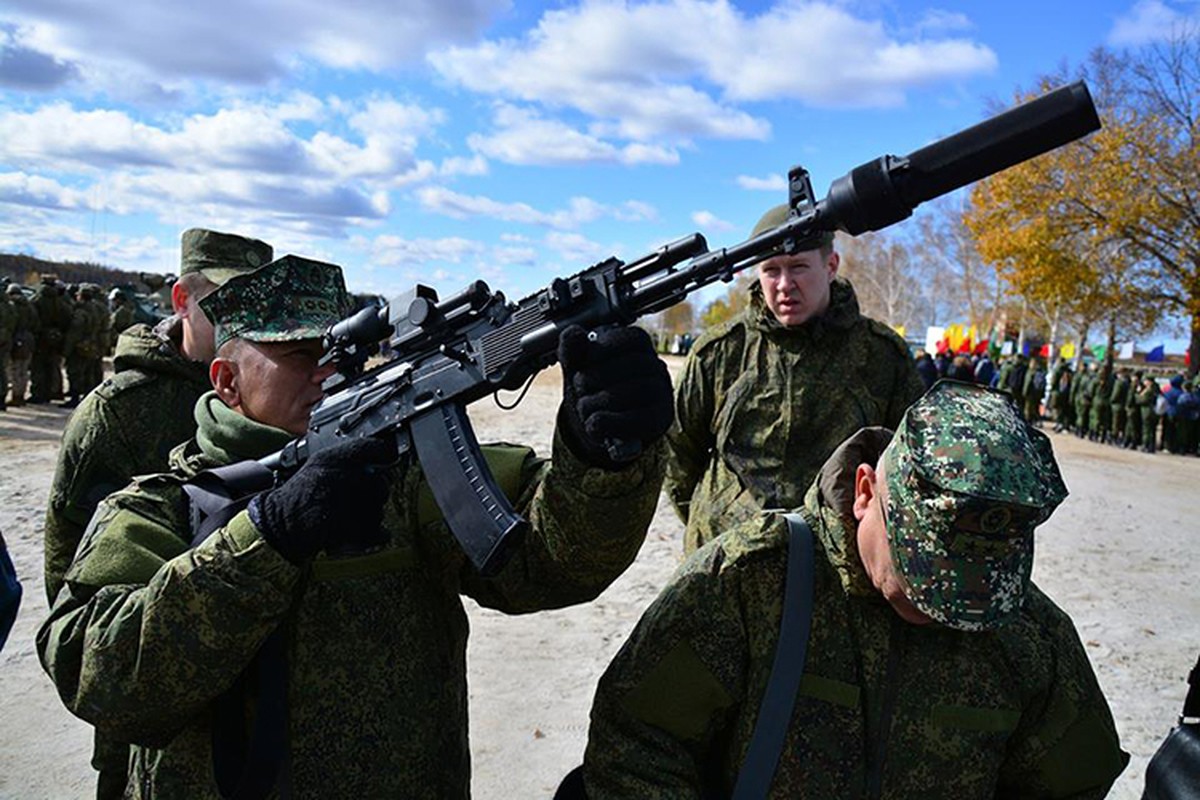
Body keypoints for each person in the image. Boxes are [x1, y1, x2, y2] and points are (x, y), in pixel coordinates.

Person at [38, 254, 673, 799]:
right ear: (227, 380)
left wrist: (602, 454)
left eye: (338, 350)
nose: (328, 370)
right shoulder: (160, 508)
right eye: (297, 352)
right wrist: (269, 536)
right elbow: (96, 673)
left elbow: (551, 562)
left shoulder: (405, 480)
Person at [579, 380, 1128, 798]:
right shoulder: (748, 582)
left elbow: (1072, 785)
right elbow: (636, 743)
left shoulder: (1030, 636)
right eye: (922, 563)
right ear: (865, 490)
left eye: (977, 579)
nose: (942, 603)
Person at [41, 228, 272, 800]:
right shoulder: (120, 414)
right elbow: (72, 572)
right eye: (222, 302)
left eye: (253, 303)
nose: (239, 318)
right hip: (152, 695)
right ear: (181, 301)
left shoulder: (274, 390)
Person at [666, 204, 923, 553]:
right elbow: (678, 457)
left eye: (799, 267)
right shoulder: (719, 352)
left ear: (830, 266)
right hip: (723, 562)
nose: (785, 285)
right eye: (771, 271)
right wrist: (715, 516)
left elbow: (907, 464)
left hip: (835, 568)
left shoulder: (881, 356)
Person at [6, 282, 38, 406]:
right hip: (29, 339)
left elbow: (11, 324)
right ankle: (21, 395)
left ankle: (16, 396)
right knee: (24, 370)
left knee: (15, 369)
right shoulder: (30, 305)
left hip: (16, 339)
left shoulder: (12, 306)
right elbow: (36, 323)